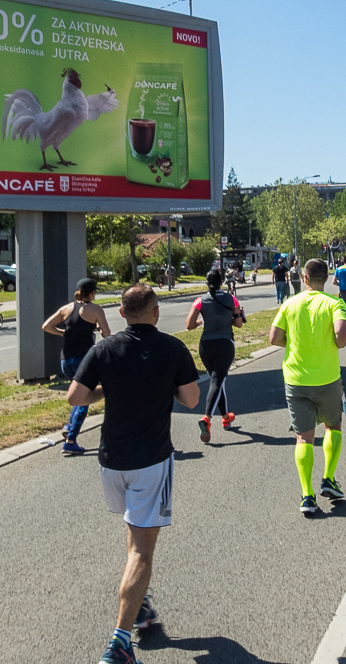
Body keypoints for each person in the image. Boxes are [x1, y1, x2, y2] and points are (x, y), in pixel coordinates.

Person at [66, 284, 200, 664]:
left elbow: (75, 397)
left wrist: (107, 391)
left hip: (111, 461)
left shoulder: (103, 349)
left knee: (133, 532)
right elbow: (190, 399)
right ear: (155, 313)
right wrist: (164, 387)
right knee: (142, 548)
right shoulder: (173, 348)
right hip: (151, 461)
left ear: (122, 314)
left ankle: (139, 606)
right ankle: (120, 642)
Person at [269, 259, 346, 515]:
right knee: (333, 426)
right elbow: (343, 335)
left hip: (295, 380)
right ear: (325, 278)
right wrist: (334, 343)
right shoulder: (334, 303)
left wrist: (295, 346)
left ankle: (307, 495)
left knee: (303, 437)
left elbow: (274, 338)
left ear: (304, 278)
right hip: (327, 378)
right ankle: (328, 478)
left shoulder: (289, 304)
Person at [43, 277, 113, 454]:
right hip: (84, 360)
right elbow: (107, 334)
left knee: (78, 393)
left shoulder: (66, 308)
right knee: (84, 398)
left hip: (65, 361)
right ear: (92, 293)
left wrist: (62, 333)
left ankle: (69, 425)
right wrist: (96, 327)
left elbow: (46, 326)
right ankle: (71, 440)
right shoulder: (96, 309)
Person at [185, 268, 245, 444]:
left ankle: (226, 416)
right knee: (217, 380)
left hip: (206, 346)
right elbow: (239, 323)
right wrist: (235, 316)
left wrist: (202, 321)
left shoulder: (199, 301)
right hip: (225, 343)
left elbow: (189, 325)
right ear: (222, 282)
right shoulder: (231, 298)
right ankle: (207, 418)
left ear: (206, 283)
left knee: (217, 380)